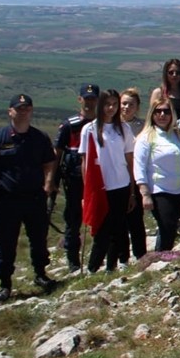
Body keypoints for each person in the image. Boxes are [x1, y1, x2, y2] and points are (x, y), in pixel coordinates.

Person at [0, 93, 57, 302]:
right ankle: (5, 284)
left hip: (35, 198)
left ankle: (41, 274)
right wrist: (1, 180)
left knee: (38, 239)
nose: (23, 112)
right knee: (5, 242)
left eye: (27, 108)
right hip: (8, 200)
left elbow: (49, 162)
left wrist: (48, 183)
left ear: (31, 111)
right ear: (10, 112)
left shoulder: (39, 138)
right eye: (19, 108)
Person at [79, 89, 137, 273]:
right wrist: (87, 191)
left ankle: (118, 263)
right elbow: (85, 163)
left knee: (119, 227)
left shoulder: (124, 129)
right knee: (102, 229)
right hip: (100, 187)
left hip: (121, 184)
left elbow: (129, 159)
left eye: (114, 104)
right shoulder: (89, 129)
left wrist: (132, 190)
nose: (111, 108)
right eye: (107, 104)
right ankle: (93, 268)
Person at [133, 98, 180, 252]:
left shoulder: (179, 135)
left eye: (166, 111)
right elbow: (139, 167)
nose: (162, 115)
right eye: (158, 111)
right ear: (152, 114)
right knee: (167, 225)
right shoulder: (146, 138)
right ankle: (161, 257)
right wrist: (145, 194)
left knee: (171, 227)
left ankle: (162, 256)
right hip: (159, 190)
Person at [53, 83, 99, 273]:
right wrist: (52, 180)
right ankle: (73, 261)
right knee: (73, 219)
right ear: (80, 99)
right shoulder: (69, 125)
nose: (89, 102)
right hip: (73, 180)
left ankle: (98, 257)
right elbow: (57, 154)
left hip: (97, 179)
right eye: (86, 99)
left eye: (93, 98)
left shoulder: (103, 123)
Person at [119, 87, 147, 261]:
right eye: (124, 103)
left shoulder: (143, 127)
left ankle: (140, 255)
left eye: (131, 104)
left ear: (137, 107)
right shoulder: (112, 125)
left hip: (136, 176)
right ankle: (121, 257)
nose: (126, 107)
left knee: (136, 218)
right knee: (118, 220)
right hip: (116, 176)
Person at [150, 58, 180, 128]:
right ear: (166, 74)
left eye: (178, 73)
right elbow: (152, 116)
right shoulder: (158, 93)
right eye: (171, 72)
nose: (174, 75)